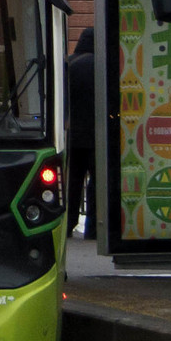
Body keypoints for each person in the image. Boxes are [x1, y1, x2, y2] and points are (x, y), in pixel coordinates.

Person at [66, 26, 97, 239]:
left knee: (72, 182)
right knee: (96, 183)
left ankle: (67, 225)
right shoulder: (101, 65)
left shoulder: (67, 64)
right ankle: (93, 228)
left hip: (71, 135)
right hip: (96, 137)